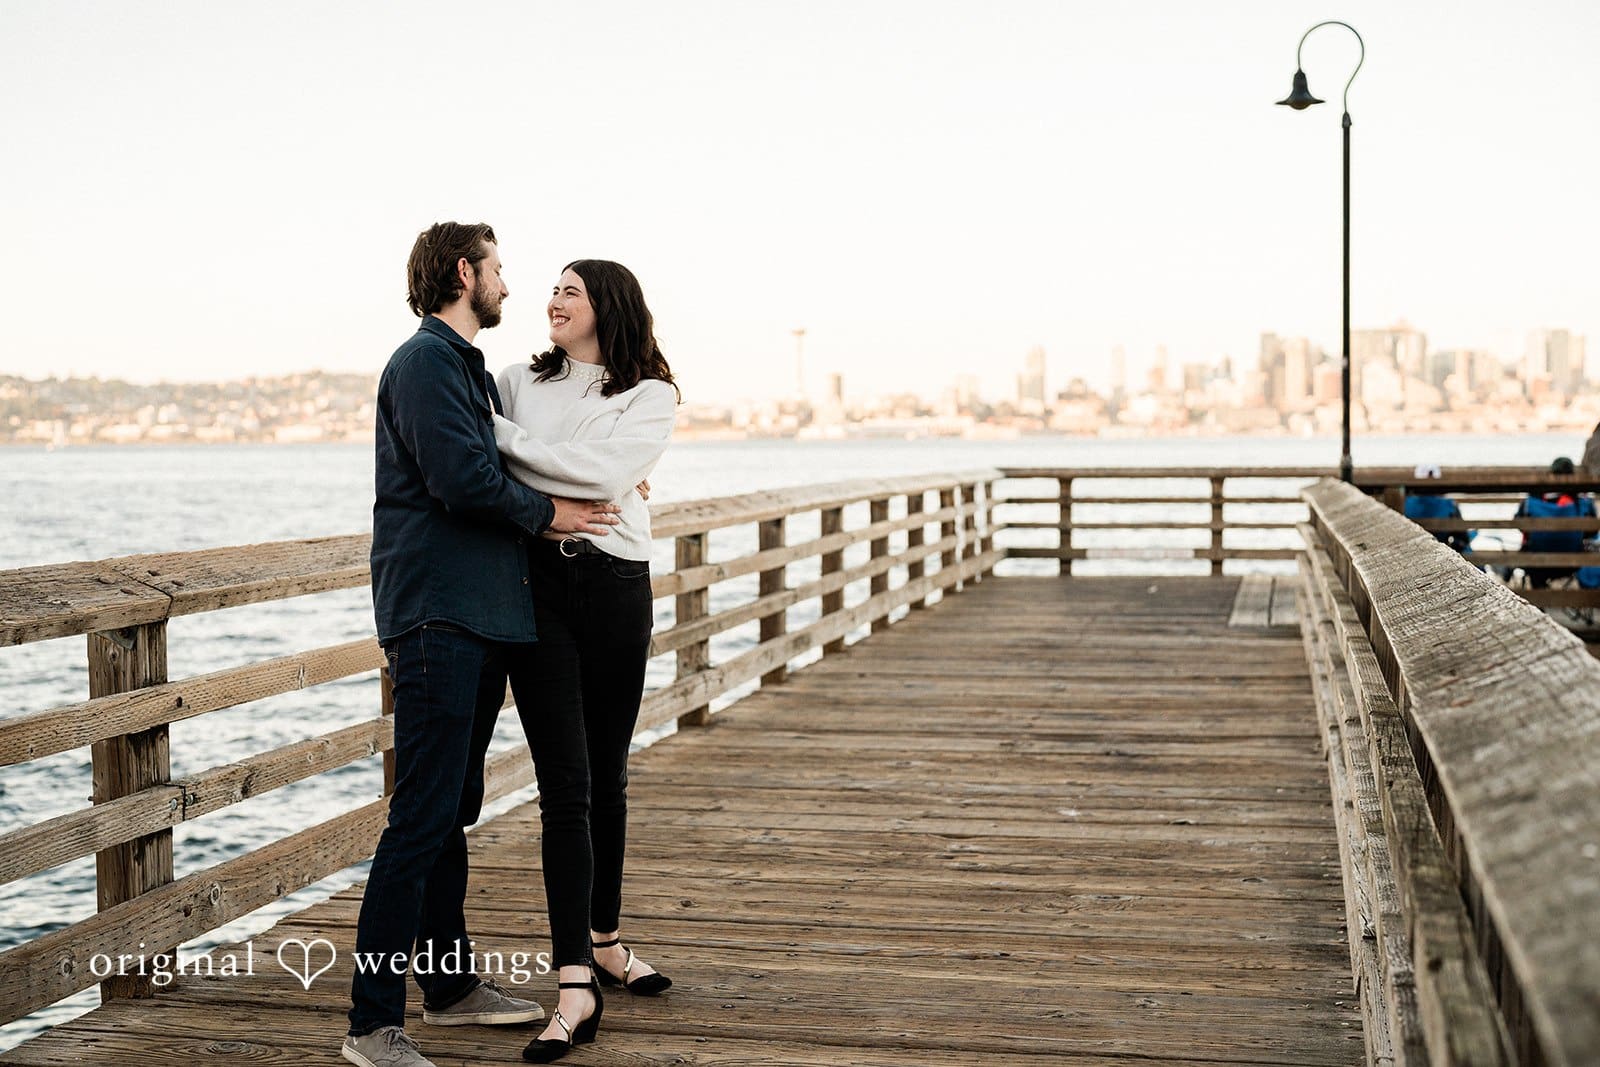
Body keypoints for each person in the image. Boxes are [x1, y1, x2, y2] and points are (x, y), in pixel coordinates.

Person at [345, 224, 621, 1067]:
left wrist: (597, 475)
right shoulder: (425, 363)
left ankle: (450, 986)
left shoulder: (466, 368)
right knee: (420, 815)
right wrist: (552, 513)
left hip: (480, 615)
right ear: (465, 273)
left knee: (449, 810)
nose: (508, 283)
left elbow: (511, 459)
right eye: (498, 268)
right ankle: (371, 1023)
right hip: (438, 615)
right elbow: (461, 479)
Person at [492, 260, 679, 1063]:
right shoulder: (515, 382)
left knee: (609, 773)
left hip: (616, 587)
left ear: (609, 304)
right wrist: (535, 457)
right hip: (537, 589)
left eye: (571, 290)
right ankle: (574, 981)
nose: (553, 300)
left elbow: (604, 475)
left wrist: (519, 452)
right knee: (564, 783)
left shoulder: (651, 394)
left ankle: (605, 939)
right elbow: (488, 455)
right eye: (553, 289)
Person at [1513, 456, 1597, 589]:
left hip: (1537, 562)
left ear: (1551, 475)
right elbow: (1592, 531)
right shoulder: (1583, 502)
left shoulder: (1532, 501)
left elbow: (1520, 525)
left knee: (1532, 562)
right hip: (1572, 562)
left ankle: (1539, 597)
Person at [1403, 464, 1474, 554]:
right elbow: (1462, 540)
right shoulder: (1449, 505)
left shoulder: (1405, 503)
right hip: (1439, 551)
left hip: (1412, 550)